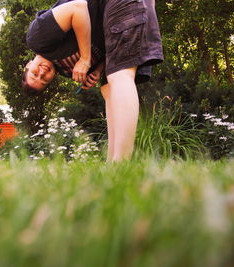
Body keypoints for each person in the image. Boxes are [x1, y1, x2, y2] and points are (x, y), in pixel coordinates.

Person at [24, 0, 163, 162]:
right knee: (108, 88)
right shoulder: (65, 68)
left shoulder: (37, 38)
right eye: (43, 80)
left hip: (118, 4)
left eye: (34, 74)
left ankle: (122, 164)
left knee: (119, 76)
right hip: (116, 17)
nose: (42, 73)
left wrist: (85, 58)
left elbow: (78, 7)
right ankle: (113, 164)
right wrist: (96, 71)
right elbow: (105, 51)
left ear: (27, 65)